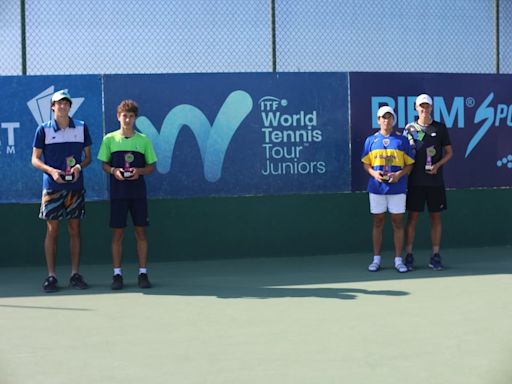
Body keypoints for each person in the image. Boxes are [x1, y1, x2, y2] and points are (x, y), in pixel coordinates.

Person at [31, 89, 91, 292]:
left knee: (75, 230)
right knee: (52, 231)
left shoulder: (81, 128)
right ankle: (51, 276)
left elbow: (88, 157)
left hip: (75, 188)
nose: (63, 106)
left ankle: (75, 274)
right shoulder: (43, 130)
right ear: (52, 107)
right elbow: (35, 159)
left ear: (69, 106)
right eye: (59, 103)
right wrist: (51, 171)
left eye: (66, 103)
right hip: (52, 188)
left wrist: (78, 167)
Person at [97, 100, 157, 290]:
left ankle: (142, 273)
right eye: (125, 116)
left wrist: (139, 171)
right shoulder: (109, 140)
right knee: (118, 234)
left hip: (138, 195)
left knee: (141, 232)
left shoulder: (144, 140)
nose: (128, 119)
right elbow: (104, 165)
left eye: (131, 116)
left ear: (135, 118)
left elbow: (151, 167)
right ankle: (117, 275)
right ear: (118, 117)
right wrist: (114, 170)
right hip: (118, 195)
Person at [361, 105, 415, 273]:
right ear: (378, 120)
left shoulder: (402, 140)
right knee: (378, 222)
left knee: (398, 223)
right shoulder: (371, 140)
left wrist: (399, 174)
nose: (386, 120)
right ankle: (376, 259)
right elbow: (366, 164)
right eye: (383, 117)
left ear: (393, 120)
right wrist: (373, 174)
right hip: (377, 189)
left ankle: (398, 260)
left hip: (397, 189)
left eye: (389, 117)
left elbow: (409, 166)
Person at [403, 94, 453, 271]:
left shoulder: (439, 128)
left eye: (427, 106)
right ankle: (408, 255)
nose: (424, 109)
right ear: (416, 108)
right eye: (421, 106)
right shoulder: (409, 128)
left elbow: (449, 152)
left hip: (435, 182)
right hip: (415, 182)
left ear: (431, 108)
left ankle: (435, 256)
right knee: (413, 218)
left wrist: (437, 165)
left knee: (436, 217)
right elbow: (404, 154)